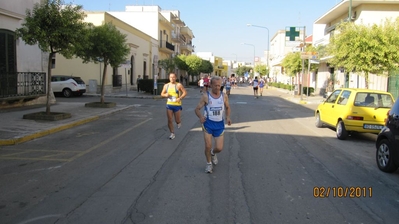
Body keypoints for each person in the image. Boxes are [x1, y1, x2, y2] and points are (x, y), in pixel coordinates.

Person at [195, 76, 232, 173]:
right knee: (208, 145)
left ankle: (213, 153)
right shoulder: (206, 96)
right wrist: (201, 117)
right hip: (208, 124)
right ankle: (208, 164)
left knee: (219, 148)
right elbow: (197, 109)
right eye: (215, 86)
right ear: (211, 85)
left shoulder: (224, 96)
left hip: (219, 124)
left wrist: (228, 117)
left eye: (219, 85)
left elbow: (227, 107)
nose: (217, 87)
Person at [161, 72, 187, 140]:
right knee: (169, 120)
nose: (172, 78)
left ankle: (179, 122)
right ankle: (172, 133)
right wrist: (165, 95)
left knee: (177, 120)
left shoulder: (178, 85)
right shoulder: (166, 86)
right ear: (169, 78)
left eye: (173, 77)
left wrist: (180, 98)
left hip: (177, 105)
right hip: (169, 104)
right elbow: (162, 94)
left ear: (176, 78)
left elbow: (185, 92)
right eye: (170, 77)